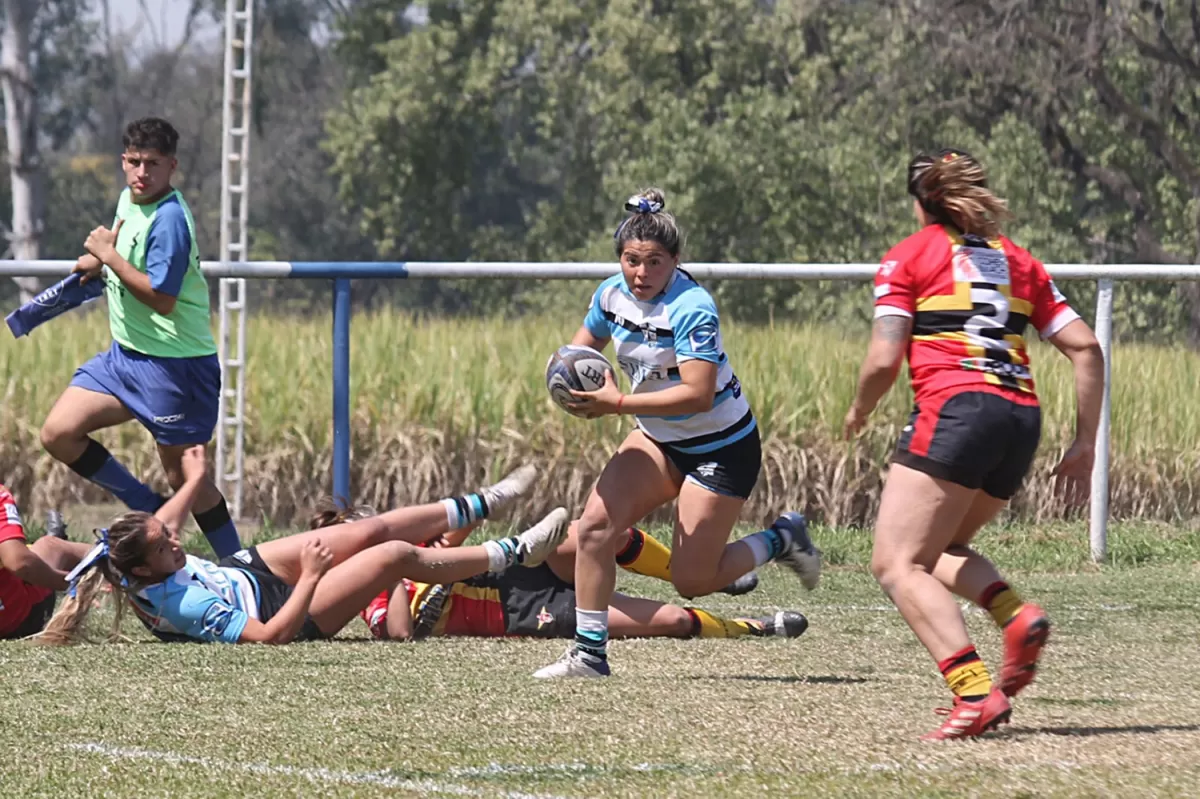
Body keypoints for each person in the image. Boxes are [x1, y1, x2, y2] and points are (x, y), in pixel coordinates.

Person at [843, 149, 1104, 741]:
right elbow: (1086, 347)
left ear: (920, 203)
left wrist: (860, 408)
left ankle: (974, 694)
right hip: (1019, 416)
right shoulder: (1019, 261)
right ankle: (1016, 617)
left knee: (895, 562)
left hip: (959, 409)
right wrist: (1085, 441)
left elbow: (885, 357)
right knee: (942, 547)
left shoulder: (909, 256)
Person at [533, 188, 823, 679]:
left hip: (721, 447)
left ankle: (782, 539)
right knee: (596, 529)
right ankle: (588, 655)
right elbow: (580, 350)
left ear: (675, 260)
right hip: (657, 437)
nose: (641, 274)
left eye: (654, 262)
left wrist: (617, 403)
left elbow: (698, 394)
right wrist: (572, 383)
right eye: (631, 260)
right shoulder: (610, 294)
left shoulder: (692, 307)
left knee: (692, 581)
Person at [38, 448, 569, 645]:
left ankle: (482, 501)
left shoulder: (142, 555)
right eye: (166, 546)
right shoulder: (185, 604)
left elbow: (165, 521)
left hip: (247, 571)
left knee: (367, 529)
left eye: (168, 535)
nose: (176, 541)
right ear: (146, 570)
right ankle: (515, 549)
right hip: (279, 610)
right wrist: (311, 576)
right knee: (393, 557)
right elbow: (269, 637)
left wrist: (195, 477)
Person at [38, 117, 241, 558]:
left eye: (152, 164)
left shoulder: (170, 219)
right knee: (58, 432)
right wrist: (97, 262)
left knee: (188, 480)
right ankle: (147, 507)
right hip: (125, 359)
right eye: (134, 162)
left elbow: (162, 298)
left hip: (176, 367)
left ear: (172, 166)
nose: (141, 173)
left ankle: (243, 566)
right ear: (123, 161)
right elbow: (120, 250)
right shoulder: (129, 200)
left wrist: (108, 255)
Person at [303, 505, 808, 642]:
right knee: (673, 621)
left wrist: (460, 530)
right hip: (521, 611)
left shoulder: (408, 545)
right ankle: (755, 627)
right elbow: (398, 634)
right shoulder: (368, 597)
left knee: (587, 531)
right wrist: (393, 575)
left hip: (514, 574)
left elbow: (447, 551)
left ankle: (707, 574)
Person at [0, 485, 91, 639]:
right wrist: (73, 583)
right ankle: (115, 557)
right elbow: (20, 564)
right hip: (14, 617)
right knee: (48, 546)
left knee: (28, 554)